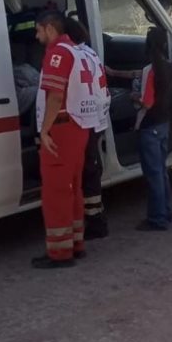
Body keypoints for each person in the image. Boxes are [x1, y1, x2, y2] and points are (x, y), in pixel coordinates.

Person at [33, 11, 108, 269]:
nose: (36, 35)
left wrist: (44, 130)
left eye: (38, 30)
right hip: (81, 127)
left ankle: (59, 254)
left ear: (50, 28)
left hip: (62, 129)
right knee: (74, 188)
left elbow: (55, 96)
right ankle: (76, 244)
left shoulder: (58, 53)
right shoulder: (81, 51)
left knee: (55, 192)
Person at [105, 27, 172, 231]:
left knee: (153, 175)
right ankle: (166, 211)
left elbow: (146, 101)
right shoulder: (167, 67)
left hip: (149, 126)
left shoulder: (149, 71)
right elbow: (140, 74)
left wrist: (132, 96)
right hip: (163, 124)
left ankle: (157, 218)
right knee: (162, 172)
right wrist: (115, 72)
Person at [64, 18, 110, 239]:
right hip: (98, 117)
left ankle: (96, 222)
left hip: (86, 120)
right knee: (92, 169)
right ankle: (94, 216)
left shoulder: (72, 56)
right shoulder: (89, 53)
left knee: (89, 173)